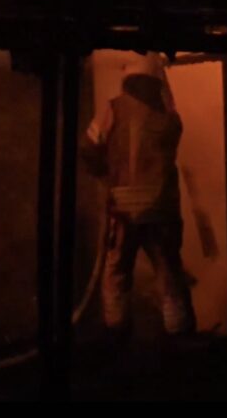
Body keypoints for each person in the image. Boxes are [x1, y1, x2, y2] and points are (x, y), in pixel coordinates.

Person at [81, 54, 195, 338]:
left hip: (123, 210)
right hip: (160, 209)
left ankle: (116, 334)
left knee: (117, 273)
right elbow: (176, 130)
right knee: (169, 274)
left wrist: (104, 171)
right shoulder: (167, 115)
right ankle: (179, 336)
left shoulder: (113, 109)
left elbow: (88, 149)